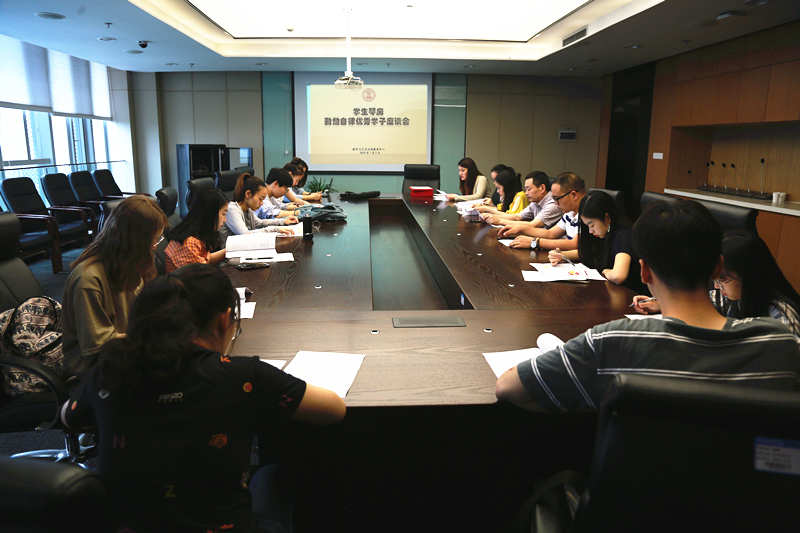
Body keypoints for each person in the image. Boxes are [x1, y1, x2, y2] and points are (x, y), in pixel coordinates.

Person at [61, 263, 345, 532]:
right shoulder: (243, 377)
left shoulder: (112, 368)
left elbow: (69, 419)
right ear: (224, 319)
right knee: (273, 475)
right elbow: (335, 409)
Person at [496, 200, 799, 413]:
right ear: (717, 267)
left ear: (644, 273)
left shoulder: (610, 342)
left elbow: (507, 387)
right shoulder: (779, 343)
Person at [61, 195, 168, 379]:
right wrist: (146, 338)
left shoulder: (130, 263)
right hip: (100, 366)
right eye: (154, 240)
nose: (154, 247)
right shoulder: (88, 279)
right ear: (135, 241)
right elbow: (99, 346)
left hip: (126, 347)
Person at [634, 229, 800, 344]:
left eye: (722, 279)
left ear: (751, 275)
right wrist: (660, 302)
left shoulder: (781, 315)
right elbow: (697, 301)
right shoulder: (734, 297)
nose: (716, 285)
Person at [549, 190, 646, 293]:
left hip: (631, 295)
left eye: (592, 225)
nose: (590, 231)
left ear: (607, 218)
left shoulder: (623, 235)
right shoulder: (603, 234)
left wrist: (605, 271)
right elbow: (590, 253)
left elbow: (618, 276)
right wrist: (562, 256)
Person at [497, 172, 586, 251]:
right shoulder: (569, 213)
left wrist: (534, 242)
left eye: (557, 199)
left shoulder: (587, 213)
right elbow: (550, 233)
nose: (555, 203)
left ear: (574, 195)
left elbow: (575, 244)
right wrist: (521, 229)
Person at [220, 172, 298, 247]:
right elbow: (246, 235)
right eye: (260, 199)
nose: (262, 203)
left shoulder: (248, 210)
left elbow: (260, 223)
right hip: (229, 254)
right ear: (248, 194)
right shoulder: (232, 209)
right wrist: (276, 229)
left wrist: (283, 221)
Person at [164, 187, 228, 273]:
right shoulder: (189, 244)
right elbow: (203, 276)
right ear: (211, 213)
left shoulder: (196, 235)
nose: (225, 220)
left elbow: (206, 259)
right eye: (223, 214)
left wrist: (230, 251)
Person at [481, 171, 562, 228]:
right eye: (526, 189)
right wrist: (492, 216)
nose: (526, 193)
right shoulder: (535, 202)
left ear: (542, 188)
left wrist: (499, 221)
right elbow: (517, 217)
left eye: (529, 189)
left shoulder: (553, 204)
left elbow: (533, 225)